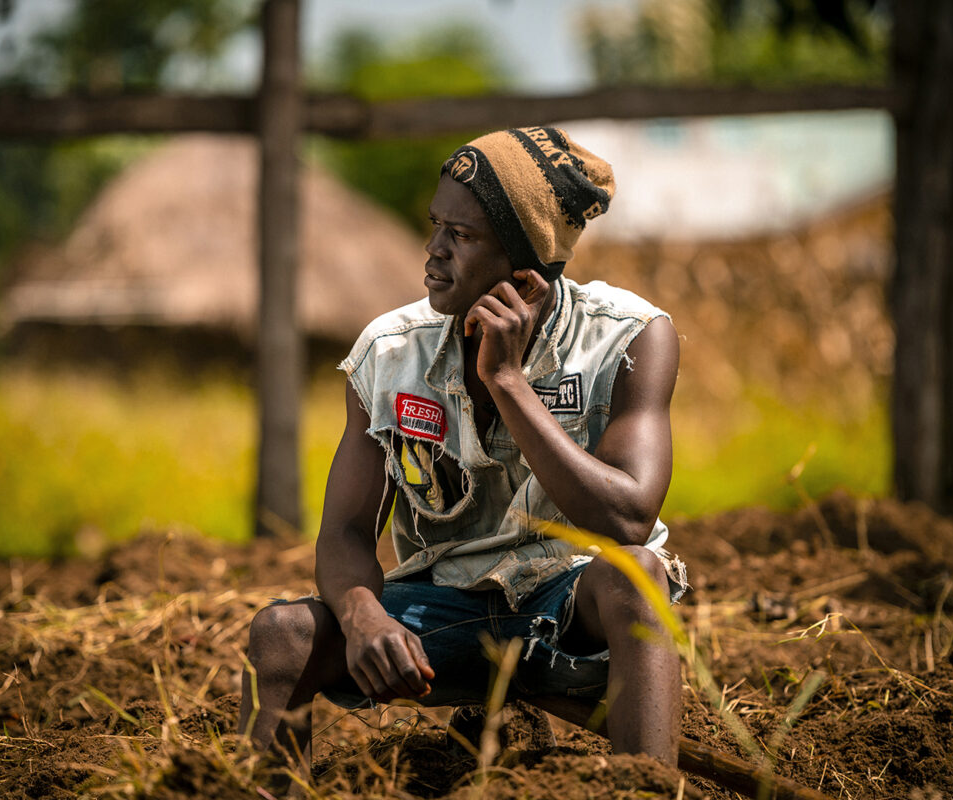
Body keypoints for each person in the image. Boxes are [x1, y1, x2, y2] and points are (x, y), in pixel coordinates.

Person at [239, 126, 688, 768]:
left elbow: (628, 518)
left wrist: (505, 381)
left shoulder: (629, 339)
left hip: (569, 603)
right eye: (435, 226)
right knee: (279, 637)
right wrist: (364, 615)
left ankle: (644, 784)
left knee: (635, 579)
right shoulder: (389, 354)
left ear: (526, 273)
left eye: (463, 235)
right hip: (437, 611)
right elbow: (343, 532)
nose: (432, 251)